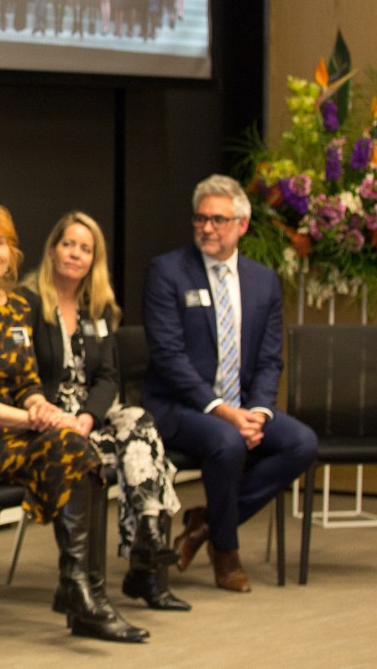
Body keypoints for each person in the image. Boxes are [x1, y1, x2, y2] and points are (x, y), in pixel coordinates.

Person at [0, 202, 148, 643]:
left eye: (0, 242)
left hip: (7, 434)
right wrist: (31, 419)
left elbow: (26, 381)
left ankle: (83, 591)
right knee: (73, 450)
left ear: (12, 253)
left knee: (81, 448)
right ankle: (82, 593)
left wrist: (43, 407)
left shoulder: (15, 309)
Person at [142, 176, 318, 593]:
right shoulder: (167, 272)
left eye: (218, 220)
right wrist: (222, 410)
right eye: (200, 219)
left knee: (302, 444)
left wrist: (257, 411)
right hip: (180, 406)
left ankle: (206, 523)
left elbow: (270, 358)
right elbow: (169, 358)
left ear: (241, 224)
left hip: (242, 406)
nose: (207, 228)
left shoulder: (263, 281)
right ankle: (226, 549)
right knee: (228, 441)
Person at [18, 212, 189, 612]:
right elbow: (21, 372)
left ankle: (147, 542)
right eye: (68, 244)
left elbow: (109, 377)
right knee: (144, 453)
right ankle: (146, 558)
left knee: (140, 426)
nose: (75, 254)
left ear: (95, 259)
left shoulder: (97, 309)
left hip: (89, 418)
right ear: (52, 249)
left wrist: (90, 417)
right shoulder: (26, 303)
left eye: (85, 248)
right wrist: (67, 418)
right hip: (49, 423)